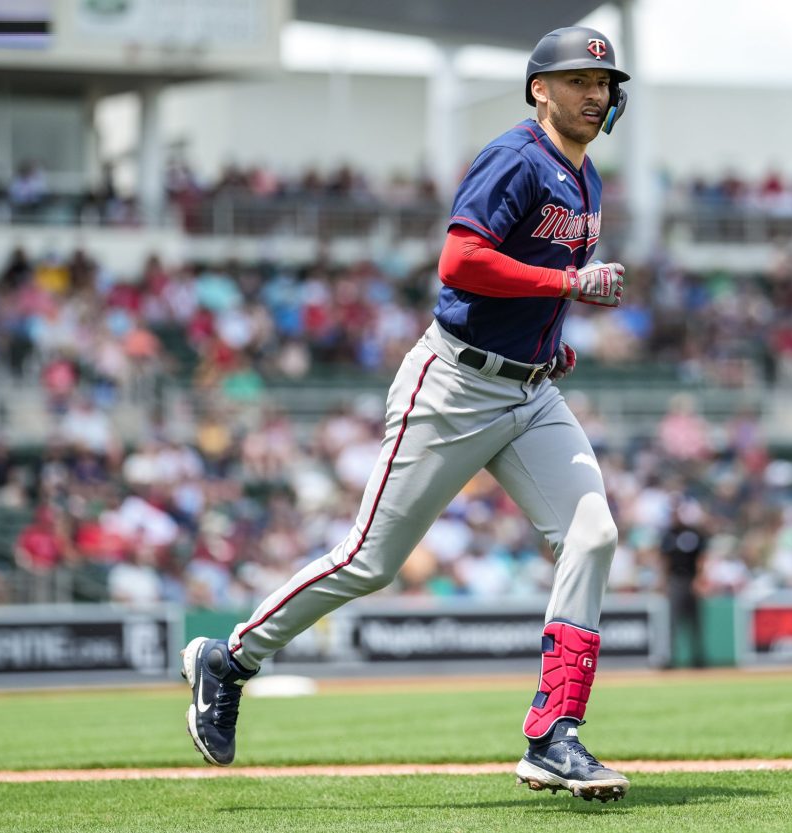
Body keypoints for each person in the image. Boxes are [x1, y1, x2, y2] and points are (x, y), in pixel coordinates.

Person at [181, 26, 632, 802]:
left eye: (603, 81)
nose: (593, 93)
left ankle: (554, 733)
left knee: (593, 534)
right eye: (575, 79)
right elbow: (460, 260)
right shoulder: (517, 156)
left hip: (529, 390)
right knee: (371, 559)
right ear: (539, 90)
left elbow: (534, 276)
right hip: (454, 384)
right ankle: (231, 657)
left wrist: (549, 340)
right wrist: (564, 292)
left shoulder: (585, 176)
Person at [659, 497, 708, 668]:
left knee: (695, 621)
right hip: (675, 580)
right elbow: (664, 560)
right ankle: (671, 658)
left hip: (691, 579)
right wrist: (664, 582)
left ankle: (698, 657)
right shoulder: (668, 535)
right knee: (673, 622)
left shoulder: (694, 533)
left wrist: (699, 579)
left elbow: (701, 559)